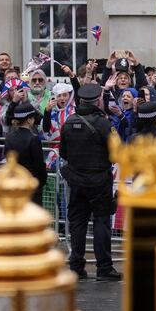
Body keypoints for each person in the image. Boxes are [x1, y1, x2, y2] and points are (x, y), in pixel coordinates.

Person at [59, 83, 121, 281]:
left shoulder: (69, 122)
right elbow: (116, 151)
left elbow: (63, 153)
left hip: (76, 180)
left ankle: (76, 266)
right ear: (98, 101)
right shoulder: (103, 124)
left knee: (78, 223)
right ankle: (104, 268)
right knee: (101, 222)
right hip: (99, 180)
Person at [3, 102, 48, 206]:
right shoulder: (33, 139)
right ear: (29, 120)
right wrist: (41, 181)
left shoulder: (9, 137)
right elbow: (39, 165)